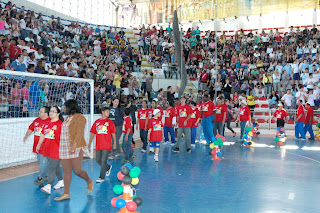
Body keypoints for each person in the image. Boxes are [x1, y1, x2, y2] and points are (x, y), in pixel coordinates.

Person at [54, 100, 93, 201]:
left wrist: (74, 146)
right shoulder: (67, 118)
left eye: (65, 106)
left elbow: (79, 133)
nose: (64, 108)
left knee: (77, 170)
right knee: (66, 171)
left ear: (70, 106)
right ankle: (66, 193)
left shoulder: (80, 118)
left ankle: (89, 181)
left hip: (75, 146)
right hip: (64, 146)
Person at [36, 106, 64, 195]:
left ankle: (48, 186)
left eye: (53, 111)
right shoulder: (47, 123)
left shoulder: (61, 124)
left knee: (51, 167)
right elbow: (43, 135)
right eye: (50, 111)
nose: (51, 113)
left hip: (57, 150)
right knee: (56, 166)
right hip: (48, 149)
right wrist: (39, 144)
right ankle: (61, 181)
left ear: (58, 113)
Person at [23, 106, 51, 186]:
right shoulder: (36, 120)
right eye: (39, 111)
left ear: (46, 113)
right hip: (37, 146)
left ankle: (40, 178)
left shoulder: (50, 122)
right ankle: (46, 175)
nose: (39, 113)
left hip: (45, 147)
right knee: (41, 162)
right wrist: (26, 136)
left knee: (43, 163)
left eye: (41, 111)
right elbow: (31, 128)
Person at [88, 107, 116, 183]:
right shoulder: (97, 122)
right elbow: (93, 133)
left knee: (103, 161)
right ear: (102, 112)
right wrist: (89, 142)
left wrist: (114, 143)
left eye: (109, 112)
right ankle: (108, 167)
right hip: (99, 145)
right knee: (98, 160)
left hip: (106, 145)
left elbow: (113, 133)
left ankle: (101, 177)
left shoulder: (110, 122)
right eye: (107, 111)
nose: (108, 113)